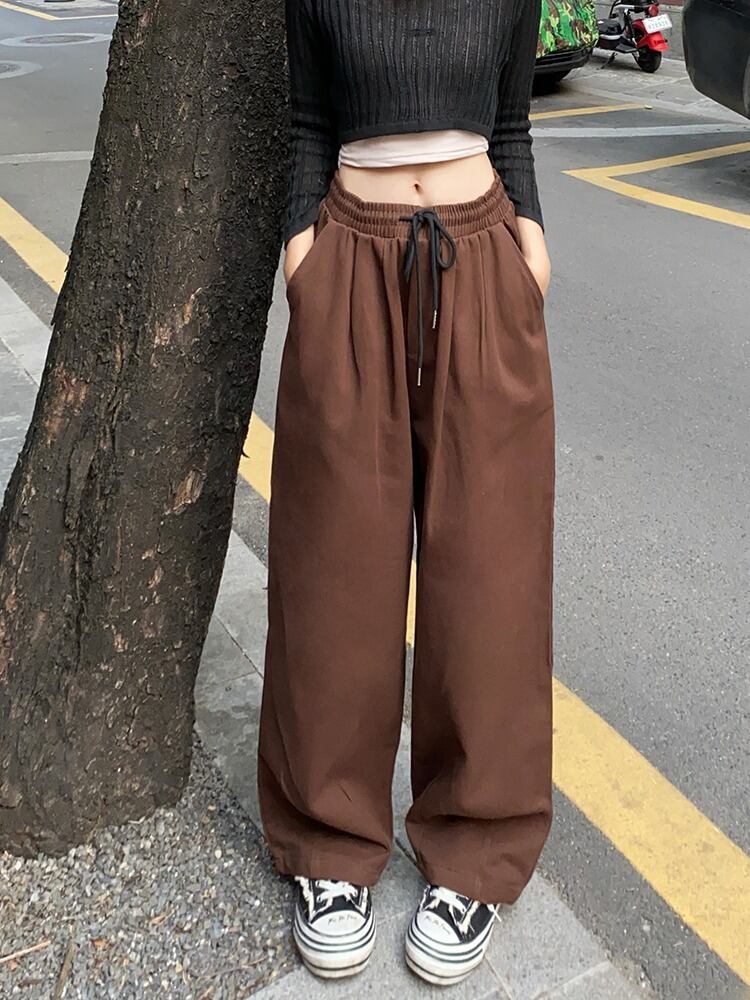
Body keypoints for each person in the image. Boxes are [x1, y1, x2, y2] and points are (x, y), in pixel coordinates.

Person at [257, 0, 555, 987]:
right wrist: (303, 258)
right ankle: (328, 843)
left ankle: (476, 849)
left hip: (483, 261)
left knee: (491, 569)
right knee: (335, 566)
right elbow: (309, 122)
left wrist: (532, 249)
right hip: (347, 260)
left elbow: (510, 122)